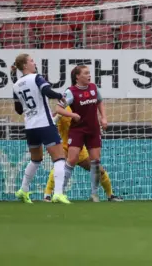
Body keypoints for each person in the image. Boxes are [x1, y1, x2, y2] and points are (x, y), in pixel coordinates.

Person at [12, 53, 70, 204]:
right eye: (31, 60)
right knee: (59, 158)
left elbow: (18, 109)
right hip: (44, 123)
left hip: (30, 127)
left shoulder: (16, 85)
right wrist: (59, 95)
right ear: (25, 65)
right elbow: (46, 91)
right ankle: (58, 193)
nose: (34, 62)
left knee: (36, 159)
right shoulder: (36, 77)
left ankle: (23, 190)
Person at [43, 106, 123, 202]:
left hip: (80, 150)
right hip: (65, 148)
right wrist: (57, 117)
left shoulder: (83, 108)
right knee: (58, 169)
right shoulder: (63, 109)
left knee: (99, 170)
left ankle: (111, 195)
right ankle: (47, 195)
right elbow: (51, 122)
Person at [55, 65, 108, 202]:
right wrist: (72, 114)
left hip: (93, 129)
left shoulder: (93, 88)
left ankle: (94, 194)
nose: (89, 75)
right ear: (77, 76)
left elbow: (100, 102)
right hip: (77, 130)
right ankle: (59, 193)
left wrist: (103, 117)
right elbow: (58, 109)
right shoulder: (71, 91)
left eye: (89, 73)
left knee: (95, 161)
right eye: (86, 73)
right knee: (72, 159)